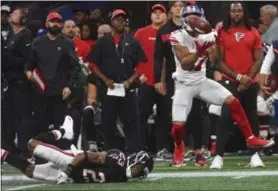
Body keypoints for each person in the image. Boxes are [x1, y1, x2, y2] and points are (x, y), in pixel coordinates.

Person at [169, 14, 275, 167]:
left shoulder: (209, 34)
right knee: (178, 126)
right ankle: (179, 146)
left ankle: (251, 138)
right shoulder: (177, 36)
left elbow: (216, 62)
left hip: (201, 81)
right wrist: (199, 52)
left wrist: (215, 45)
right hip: (183, 84)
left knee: (233, 102)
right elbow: (186, 64)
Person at [1, 116, 154, 184]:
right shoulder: (118, 158)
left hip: (73, 177)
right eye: (139, 169)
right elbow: (86, 155)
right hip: (73, 161)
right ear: (134, 160)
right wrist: (68, 169)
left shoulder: (123, 178)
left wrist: (69, 175)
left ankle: (2, 153)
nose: (137, 173)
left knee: (29, 171)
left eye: (141, 173)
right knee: (31, 144)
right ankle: (62, 131)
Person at [210, 2, 265, 169]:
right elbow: (218, 62)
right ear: (228, 13)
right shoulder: (221, 32)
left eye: (239, 11)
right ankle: (218, 156)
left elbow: (259, 59)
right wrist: (239, 77)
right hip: (230, 81)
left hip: (250, 82)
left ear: (244, 13)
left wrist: (247, 78)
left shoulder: (253, 32)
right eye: (233, 11)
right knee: (226, 117)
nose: (236, 14)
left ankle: (255, 155)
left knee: (251, 118)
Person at [86, 9, 147, 154]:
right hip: (109, 89)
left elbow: (142, 64)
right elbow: (92, 65)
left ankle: (133, 154)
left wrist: (130, 80)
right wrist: (105, 79)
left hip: (128, 89)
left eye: (123, 19)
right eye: (117, 19)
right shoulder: (102, 41)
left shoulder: (133, 41)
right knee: (108, 124)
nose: (121, 22)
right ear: (111, 22)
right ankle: (112, 154)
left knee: (131, 123)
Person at [25, 12, 80, 145]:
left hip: (59, 92)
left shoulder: (67, 43)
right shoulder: (37, 42)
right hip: (40, 90)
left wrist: (69, 86)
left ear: (60, 25)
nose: (55, 24)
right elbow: (29, 64)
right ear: (47, 24)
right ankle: (40, 156)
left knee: (59, 125)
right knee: (40, 124)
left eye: (58, 22)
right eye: (52, 21)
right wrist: (28, 73)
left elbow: (76, 68)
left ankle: (60, 154)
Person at [133, 3, 167, 153]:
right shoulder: (141, 33)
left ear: (166, 15)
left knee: (164, 116)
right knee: (141, 115)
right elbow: (131, 55)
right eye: (155, 12)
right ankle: (138, 148)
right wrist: (138, 74)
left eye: (161, 12)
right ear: (151, 16)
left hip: (164, 81)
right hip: (145, 81)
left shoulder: (169, 32)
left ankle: (164, 148)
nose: (158, 15)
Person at [2, 7, 33, 156]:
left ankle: (23, 148)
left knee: (22, 116)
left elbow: (26, 59)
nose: (11, 15)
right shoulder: (10, 34)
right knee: (9, 115)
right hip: (10, 82)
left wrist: (6, 61)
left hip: (20, 82)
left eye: (14, 14)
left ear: (22, 18)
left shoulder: (25, 34)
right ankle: (9, 148)